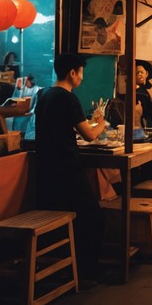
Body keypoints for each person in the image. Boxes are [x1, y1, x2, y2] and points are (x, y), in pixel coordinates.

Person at [34, 53, 107, 285]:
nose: (82, 79)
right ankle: (87, 273)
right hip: (66, 169)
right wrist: (101, 122)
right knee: (93, 218)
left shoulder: (44, 95)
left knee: (71, 219)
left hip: (45, 169)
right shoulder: (67, 98)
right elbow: (90, 134)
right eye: (81, 73)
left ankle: (68, 269)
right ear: (72, 73)